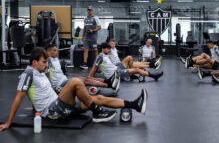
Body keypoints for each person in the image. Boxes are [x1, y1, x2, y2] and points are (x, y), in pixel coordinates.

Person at [0, 48, 148, 131]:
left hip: (60, 105)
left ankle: (135, 104)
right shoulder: (28, 74)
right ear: (34, 62)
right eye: (44, 62)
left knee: (97, 98)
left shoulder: (39, 72)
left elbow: (38, 93)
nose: (46, 65)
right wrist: (8, 123)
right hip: (52, 112)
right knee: (74, 81)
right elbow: (19, 97)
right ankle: (97, 112)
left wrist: (34, 107)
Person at [45, 44, 120, 93]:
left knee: (86, 78)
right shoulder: (48, 61)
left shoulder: (56, 59)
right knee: (85, 81)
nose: (56, 52)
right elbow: (46, 76)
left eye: (56, 50)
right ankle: (109, 85)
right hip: (60, 86)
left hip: (64, 80)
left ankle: (108, 81)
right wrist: (50, 90)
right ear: (48, 52)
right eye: (54, 51)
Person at [89, 42, 163, 81]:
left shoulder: (105, 55)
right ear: (102, 48)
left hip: (117, 68)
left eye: (109, 49)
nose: (109, 50)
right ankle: (154, 76)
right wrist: (88, 79)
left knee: (131, 60)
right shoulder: (100, 56)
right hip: (116, 73)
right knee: (136, 69)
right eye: (107, 49)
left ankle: (131, 74)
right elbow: (94, 68)